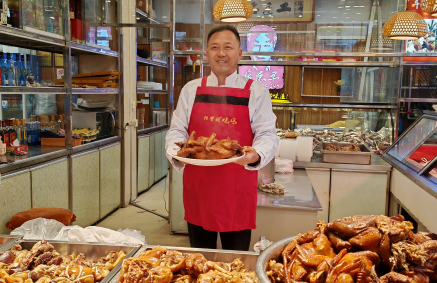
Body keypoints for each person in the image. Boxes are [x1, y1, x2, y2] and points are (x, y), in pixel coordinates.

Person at [165, 25, 278, 251]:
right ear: (206, 52)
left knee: (235, 260)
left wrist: (257, 155)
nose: (221, 53)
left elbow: (267, 133)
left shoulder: (256, 91)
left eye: (228, 47)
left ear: (239, 53)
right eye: (215, 47)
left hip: (236, 188)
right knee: (200, 257)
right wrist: (176, 153)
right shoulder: (191, 89)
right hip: (199, 187)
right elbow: (177, 131)